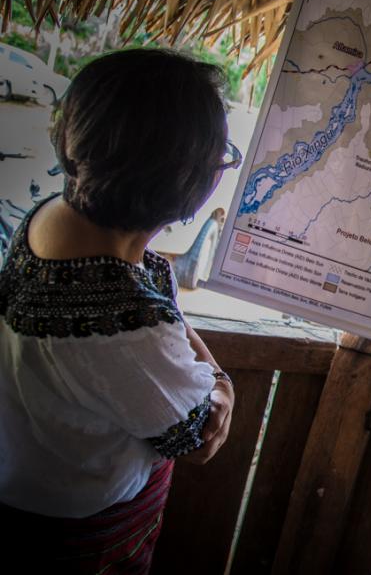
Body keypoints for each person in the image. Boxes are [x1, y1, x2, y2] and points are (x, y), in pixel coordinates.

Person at [0, 48, 239, 573]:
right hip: (80, 531)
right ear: (187, 184)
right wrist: (223, 383)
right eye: (221, 160)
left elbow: (155, 296)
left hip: (28, 481)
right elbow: (196, 435)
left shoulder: (53, 219)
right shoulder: (125, 327)